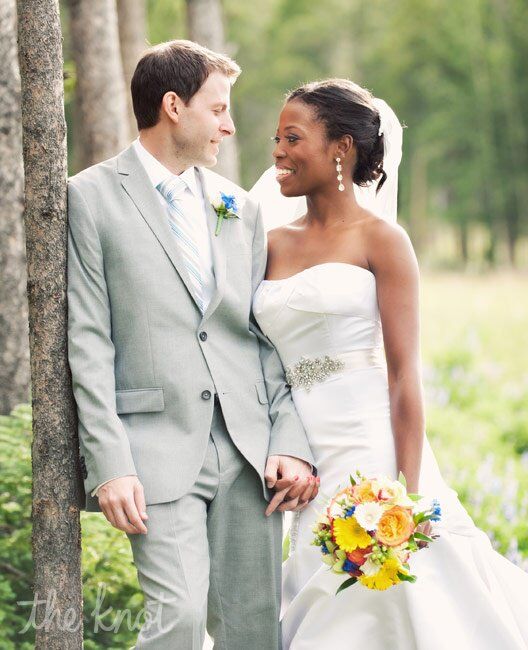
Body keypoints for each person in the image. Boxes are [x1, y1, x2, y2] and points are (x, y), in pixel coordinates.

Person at [250, 79, 528, 649]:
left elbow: (404, 376)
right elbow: (252, 357)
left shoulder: (383, 241)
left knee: (394, 595)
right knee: (320, 588)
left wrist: (404, 490)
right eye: (276, 138)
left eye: (292, 137)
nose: (277, 152)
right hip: (302, 450)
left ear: (341, 147)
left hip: (369, 443)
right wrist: (278, 442)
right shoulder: (268, 243)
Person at [67, 40, 318, 649]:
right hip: (155, 450)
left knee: (251, 632)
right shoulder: (89, 197)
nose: (230, 127)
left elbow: (263, 335)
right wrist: (111, 462)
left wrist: (288, 439)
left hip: (248, 454)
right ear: (173, 105)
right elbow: (89, 339)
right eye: (219, 109)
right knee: (177, 619)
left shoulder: (239, 206)